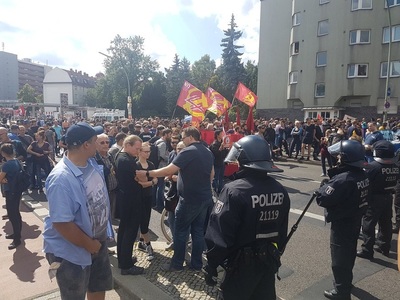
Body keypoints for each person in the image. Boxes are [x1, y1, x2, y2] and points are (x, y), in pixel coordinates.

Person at [204, 135, 290, 300]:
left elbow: (220, 234)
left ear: (243, 159)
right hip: (268, 261)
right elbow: (282, 230)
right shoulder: (280, 189)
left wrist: (212, 264)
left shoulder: (233, 191)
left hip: (240, 266)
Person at [43, 122, 113, 300]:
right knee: (74, 295)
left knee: (98, 286)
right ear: (86, 145)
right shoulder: (61, 179)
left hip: (97, 241)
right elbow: (62, 223)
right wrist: (89, 245)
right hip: (73, 251)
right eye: (95, 140)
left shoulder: (90, 162)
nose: (99, 144)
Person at [136, 127, 214, 272]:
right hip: (204, 197)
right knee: (197, 232)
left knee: (180, 231)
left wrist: (148, 173)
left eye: (183, 138)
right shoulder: (207, 151)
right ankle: (197, 265)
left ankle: (177, 264)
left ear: (190, 137)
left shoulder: (188, 151)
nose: (181, 140)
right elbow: (212, 174)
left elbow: (169, 170)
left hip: (189, 199)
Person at [317, 140, 370, 300]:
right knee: (349, 253)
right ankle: (346, 282)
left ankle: (341, 291)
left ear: (346, 158)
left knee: (339, 258)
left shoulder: (344, 179)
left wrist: (323, 186)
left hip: (343, 222)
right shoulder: (362, 173)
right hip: (355, 219)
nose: (338, 158)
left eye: (340, 156)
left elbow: (323, 199)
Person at [357, 140, 400, 259]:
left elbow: (365, 181)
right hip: (388, 197)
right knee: (386, 223)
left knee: (368, 224)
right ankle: (384, 246)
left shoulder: (374, 167)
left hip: (374, 199)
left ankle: (367, 250)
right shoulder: (395, 166)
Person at [114, 135, 145, 275]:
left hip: (125, 198)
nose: (138, 152)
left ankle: (123, 259)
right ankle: (126, 266)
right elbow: (140, 178)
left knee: (123, 230)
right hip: (131, 200)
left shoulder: (119, 156)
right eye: (137, 148)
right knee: (130, 232)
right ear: (127, 144)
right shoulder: (127, 160)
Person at [136, 142, 157, 261]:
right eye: (146, 151)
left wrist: (148, 182)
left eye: (149, 151)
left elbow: (154, 180)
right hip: (139, 197)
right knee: (143, 223)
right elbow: (140, 184)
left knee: (146, 220)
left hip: (148, 196)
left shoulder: (151, 164)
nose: (148, 153)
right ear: (139, 152)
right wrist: (151, 182)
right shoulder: (136, 164)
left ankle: (141, 242)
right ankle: (148, 245)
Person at [0, 143, 23, 249]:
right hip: (17, 190)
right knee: (16, 213)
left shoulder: (6, 165)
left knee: (12, 214)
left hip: (11, 191)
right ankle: (17, 234)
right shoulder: (17, 161)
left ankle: (17, 239)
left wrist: (3, 180)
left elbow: (1, 178)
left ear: (3, 153)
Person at [209, 129, 229, 195]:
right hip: (216, 163)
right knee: (215, 178)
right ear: (217, 135)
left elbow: (225, 153)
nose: (223, 135)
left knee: (221, 178)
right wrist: (221, 148)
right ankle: (215, 191)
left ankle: (220, 190)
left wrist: (228, 148)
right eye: (221, 134)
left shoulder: (222, 143)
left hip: (222, 163)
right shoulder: (214, 144)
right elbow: (216, 154)